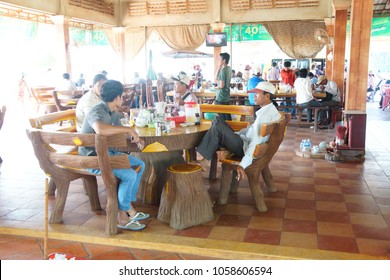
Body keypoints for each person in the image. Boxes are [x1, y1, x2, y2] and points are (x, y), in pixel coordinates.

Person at [79, 80, 148, 230]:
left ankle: (128, 206)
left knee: (139, 164)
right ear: (117, 97)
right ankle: (122, 217)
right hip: (93, 158)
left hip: (107, 153)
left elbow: (117, 131)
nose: (122, 99)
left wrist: (135, 138)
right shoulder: (97, 110)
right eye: (122, 96)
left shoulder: (113, 113)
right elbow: (100, 129)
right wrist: (128, 130)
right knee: (129, 175)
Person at [191, 81, 280, 181]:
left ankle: (205, 161)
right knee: (218, 119)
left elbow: (255, 142)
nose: (254, 96)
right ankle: (224, 150)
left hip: (243, 147)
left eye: (257, 94)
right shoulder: (271, 111)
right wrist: (235, 134)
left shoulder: (264, 116)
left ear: (267, 96)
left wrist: (243, 164)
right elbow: (253, 134)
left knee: (217, 127)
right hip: (244, 140)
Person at [215, 52, 232, 121]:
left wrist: (215, 88)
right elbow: (216, 78)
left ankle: (223, 130)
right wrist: (219, 68)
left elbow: (221, 85)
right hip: (227, 96)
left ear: (224, 60)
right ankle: (230, 130)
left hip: (221, 96)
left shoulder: (223, 70)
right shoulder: (229, 69)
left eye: (220, 59)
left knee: (221, 117)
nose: (219, 60)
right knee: (227, 115)